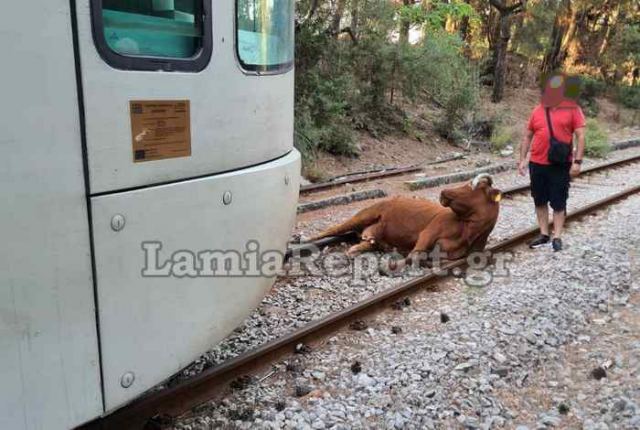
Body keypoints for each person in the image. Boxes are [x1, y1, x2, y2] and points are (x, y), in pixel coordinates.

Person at [518, 73, 586, 252]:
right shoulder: (537, 110)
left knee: (558, 201)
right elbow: (527, 136)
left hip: (560, 164)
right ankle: (544, 234)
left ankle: (557, 236)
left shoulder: (573, 109)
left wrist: (577, 161)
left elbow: (580, 136)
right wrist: (523, 159)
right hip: (537, 163)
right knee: (539, 199)